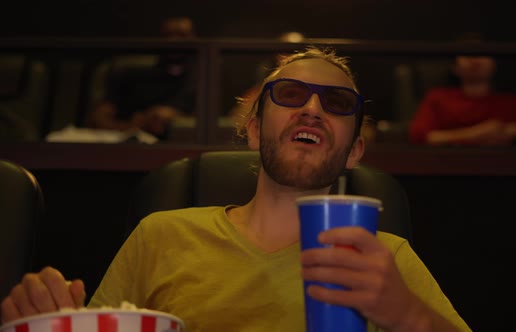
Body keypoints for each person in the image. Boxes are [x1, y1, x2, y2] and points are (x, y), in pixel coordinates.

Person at [1, 47, 471, 332]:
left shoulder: (385, 258)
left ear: (355, 151)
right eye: (289, 94)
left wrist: (409, 316)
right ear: (252, 131)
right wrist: (44, 319)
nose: (311, 109)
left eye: (337, 103)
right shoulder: (160, 235)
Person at [86, 17, 197, 139]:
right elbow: (100, 116)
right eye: (168, 35)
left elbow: (202, 121)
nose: (173, 40)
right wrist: (131, 126)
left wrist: (170, 116)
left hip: (174, 145)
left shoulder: (202, 77)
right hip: (124, 141)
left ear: (193, 38)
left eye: (181, 35)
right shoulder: (130, 73)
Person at [408, 54, 516, 146]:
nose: (475, 59)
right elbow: (421, 137)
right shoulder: (438, 97)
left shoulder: (513, 101)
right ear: (455, 67)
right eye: (467, 54)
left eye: (482, 53)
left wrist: (509, 130)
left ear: (494, 63)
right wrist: (477, 133)